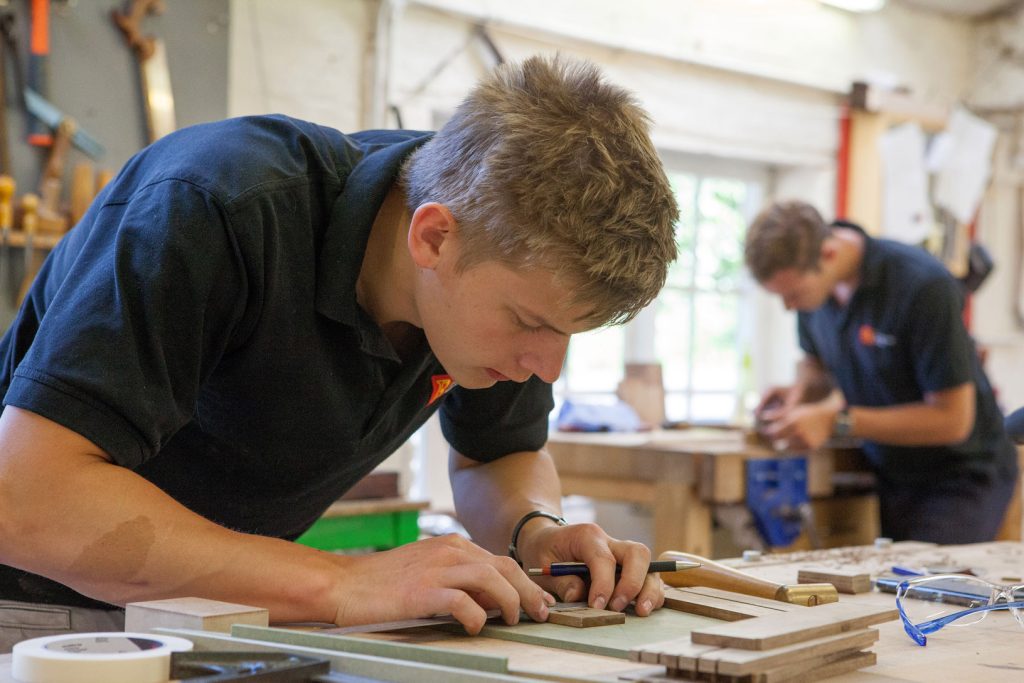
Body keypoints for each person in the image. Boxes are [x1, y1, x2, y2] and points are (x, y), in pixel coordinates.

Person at [0, 55, 679, 651]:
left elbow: (496, 453)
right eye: (532, 322)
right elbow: (27, 500)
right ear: (434, 238)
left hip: (216, 612)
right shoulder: (218, 205)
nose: (548, 366)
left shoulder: (495, 280)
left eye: (568, 334)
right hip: (30, 605)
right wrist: (339, 580)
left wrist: (535, 529)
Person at [745, 200, 1017, 544]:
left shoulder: (923, 286)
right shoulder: (815, 292)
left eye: (794, 294)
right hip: (892, 474)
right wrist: (799, 395)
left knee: (933, 587)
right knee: (891, 588)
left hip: (960, 475)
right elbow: (815, 365)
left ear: (828, 253)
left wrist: (835, 420)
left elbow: (952, 419)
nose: (789, 307)